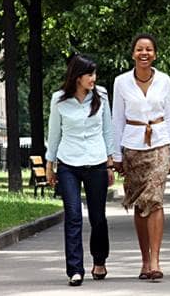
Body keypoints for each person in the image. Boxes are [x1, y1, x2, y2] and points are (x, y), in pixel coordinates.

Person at [112, 33, 170, 280]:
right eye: (140, 49)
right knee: (140, 204)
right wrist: (115, 154)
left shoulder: (164, 80)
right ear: (132, 54)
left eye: (149, 49)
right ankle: (143, 260)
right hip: (132, 146)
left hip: (160, 142)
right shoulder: (121, 82)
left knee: (155, 200)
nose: (144, 53)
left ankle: (155, 260)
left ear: (155, 54)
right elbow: (116, 118)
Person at [45, 54, 115, 286]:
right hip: (68, 164)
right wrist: (49, 165)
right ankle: (75, 269)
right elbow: (54, 133)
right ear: (77, 77)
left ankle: (99, 260)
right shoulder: (59, 99)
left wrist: (110, 164)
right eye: (89, 74)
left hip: (96, 162)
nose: (93, 78)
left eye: (94, 74)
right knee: (73, 215)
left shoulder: (101, 96)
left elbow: (108, 131)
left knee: (98, 217)